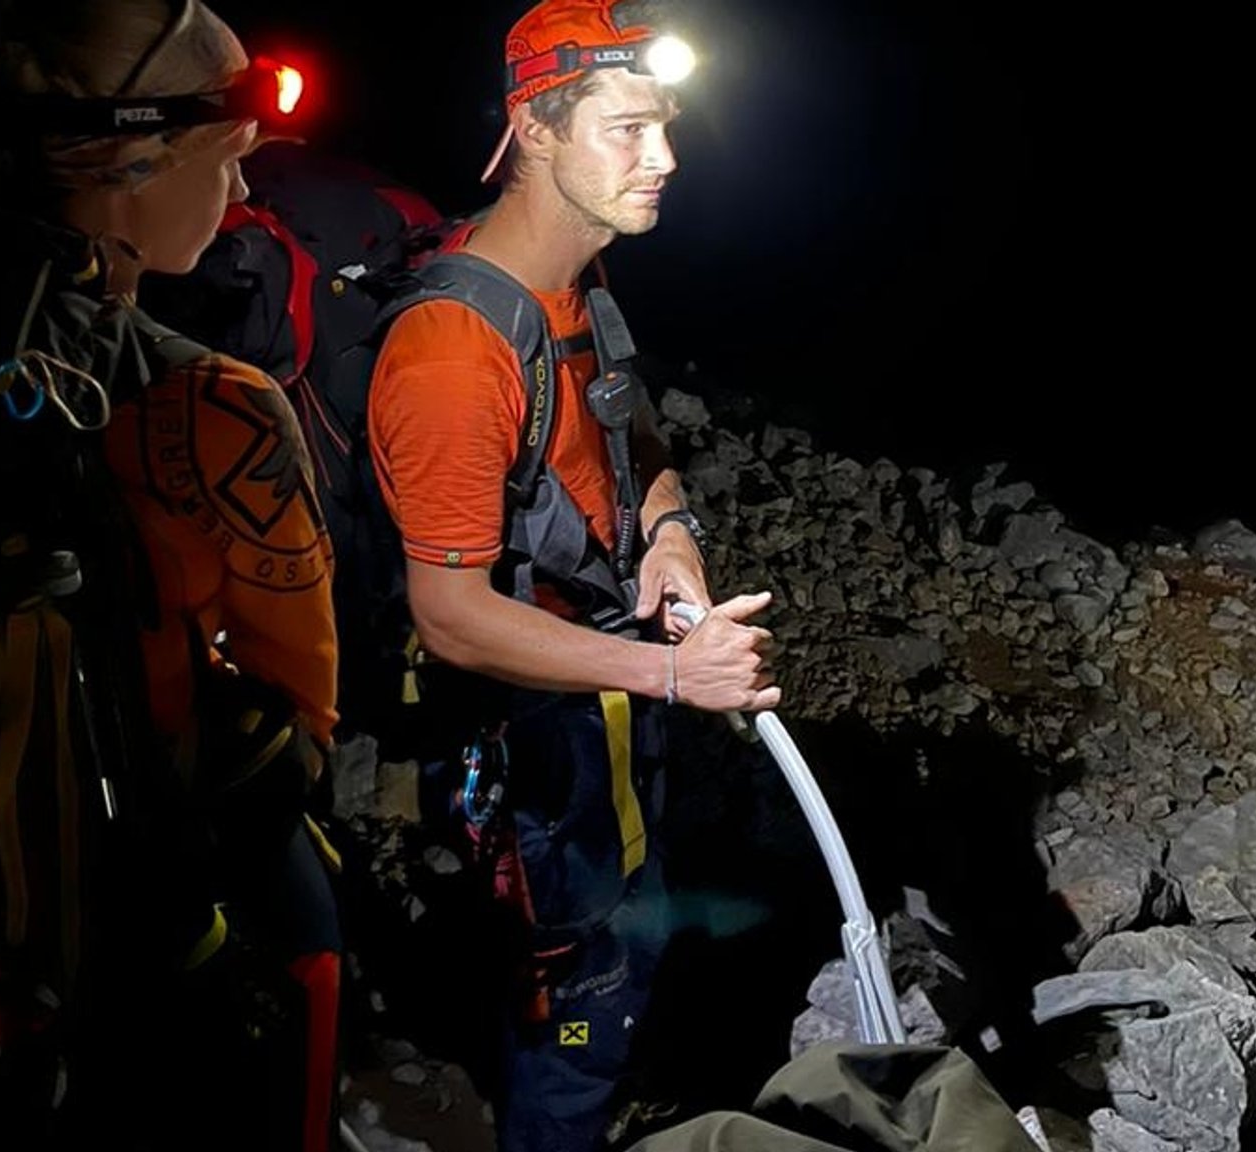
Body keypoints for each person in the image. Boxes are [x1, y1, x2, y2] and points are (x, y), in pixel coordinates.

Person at [0, 3, 346, 1148]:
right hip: (106, 944)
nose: (245, 199)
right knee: (314, 943)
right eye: (230, 161)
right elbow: (295, 724)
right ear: (130, 160)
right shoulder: (210, 409)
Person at [364, 1, 781, 1148]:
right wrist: (673, 678)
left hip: (599, 702)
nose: (667, 159)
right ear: (534, 132)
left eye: (668, 128)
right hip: (526, 739)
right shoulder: (452, 352)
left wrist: (669, 530)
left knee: (617, 937)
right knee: (575, 999)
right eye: (629, 130)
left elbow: (622, 431)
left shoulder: (578, 280)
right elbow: (448, 616)